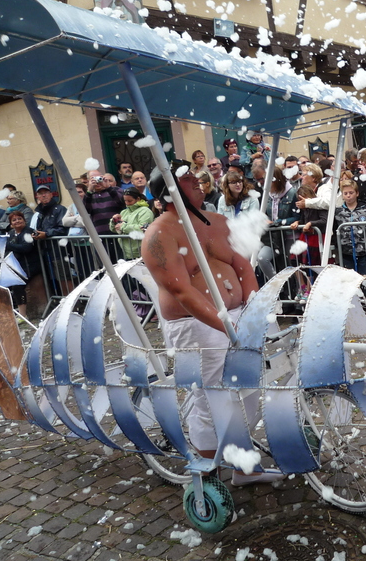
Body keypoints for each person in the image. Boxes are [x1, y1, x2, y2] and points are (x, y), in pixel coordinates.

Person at [141, 162, 280, 485]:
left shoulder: (218, 222)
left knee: (248, 389)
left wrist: (253, 311)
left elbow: (243, 268)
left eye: (195, 176)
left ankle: (243, 466)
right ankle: (208, 475)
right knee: (210, 397)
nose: (197, 180)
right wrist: (225, 326)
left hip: (237, 314)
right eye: (186, 178)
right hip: (195, 324)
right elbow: (181, 290)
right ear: (168, 191)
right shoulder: (159, 234)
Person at [5, 211, 42, 321]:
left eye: (19, 219)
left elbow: (26, 248)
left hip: (30, 265)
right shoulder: (11, 233)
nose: (17, 221)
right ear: (11, 224)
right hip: (17, 265)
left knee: (17, 285)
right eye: (14, 220)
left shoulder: (29, 232)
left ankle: (22, 314)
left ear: (24, 220)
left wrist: (9, 245)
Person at [334, 179, 366, 275]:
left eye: (351, 193)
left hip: (365, 251)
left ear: (357, 193)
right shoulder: (338, 211)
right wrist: (337, 244)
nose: (348, 195)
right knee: (349, 278)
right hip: (346, 252)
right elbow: (335, 229)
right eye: (345, 193)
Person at [62, 182, 94, 283]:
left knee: (92, 271)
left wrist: (73, 219)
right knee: (82, 272)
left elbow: (87, 222)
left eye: (80, 192)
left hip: (89, 244)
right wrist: (78, 217)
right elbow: (64, 222)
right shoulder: (72, 206)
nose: (77, 194)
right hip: (76, 244)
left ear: (85, 192)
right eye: (75, 192)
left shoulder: (90, 204)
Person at [110, 188, 154, 260]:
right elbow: (113, 230)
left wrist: (123, 226)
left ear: (138, 199)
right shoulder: (124, 212)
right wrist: (114, 221)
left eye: (130, 201)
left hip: (140, 252)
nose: (127, 203)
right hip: (125, 251)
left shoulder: (145, 211)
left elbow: (143, 229)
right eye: (125, 201)